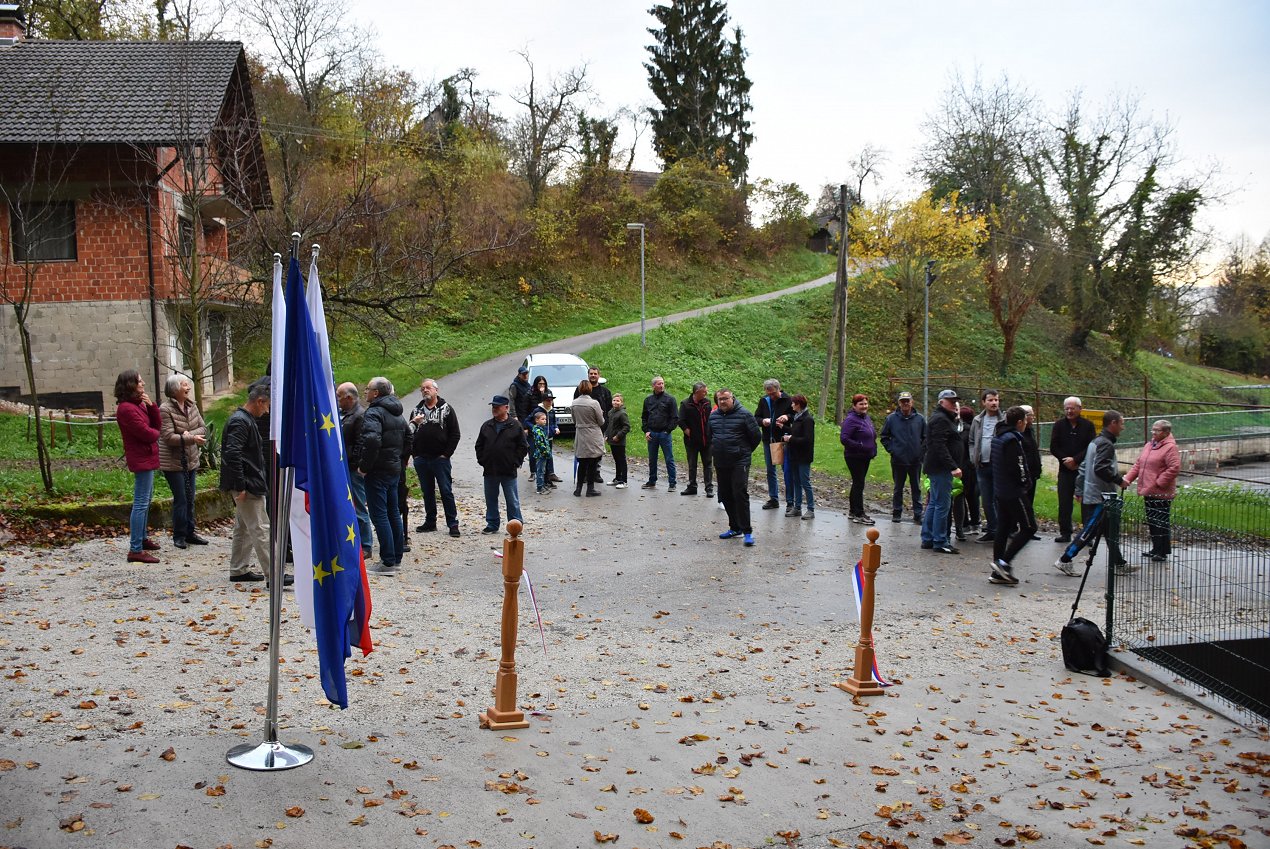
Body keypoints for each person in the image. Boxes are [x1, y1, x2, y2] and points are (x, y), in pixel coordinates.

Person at [1056, 410, 1129, 576]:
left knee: (1111, 530)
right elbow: (1100, 468)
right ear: (1113, 423)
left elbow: (1083, 467)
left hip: (1096, 494)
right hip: (1100, 496)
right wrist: (1119, 480)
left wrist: (1080, 488)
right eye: (1121, 423)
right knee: (1089, 532)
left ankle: (1119, 563)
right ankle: (1064, 559)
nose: (1123, 428)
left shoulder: (1095, 442)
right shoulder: (1105, 444)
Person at [220, 380, 272, 582]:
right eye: (266, 406)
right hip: (247, 484)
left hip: (248, 481)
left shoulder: (242, 419)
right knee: (260, 528)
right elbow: (233, 454)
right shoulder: (241, 421)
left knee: (243, 528)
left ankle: (238, 569)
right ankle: (273, 574)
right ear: (259, 401)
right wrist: (240, 484)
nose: (267, 411)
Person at [359, 376, 406, 576]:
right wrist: (399, 459)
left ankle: (387, 561)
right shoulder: (397, 412)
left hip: (378, 470)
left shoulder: (374, 413)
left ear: (376, 393)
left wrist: (364, 466)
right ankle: (396, 558)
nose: (365, 392)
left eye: (368, 388)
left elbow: (371, 440)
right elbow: (408, 437)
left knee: (380, 515)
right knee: (393, 512)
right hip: (394, 468)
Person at [115, 369, 162, 564]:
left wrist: (151, 406)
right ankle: (135, 549)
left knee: (147, 499)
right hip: (141, 458)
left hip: (148, 456)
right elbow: (149, 433)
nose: (143, 384)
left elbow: (156, 424)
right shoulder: (126, 409)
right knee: (141, 502)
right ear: (130, 385)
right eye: (139, 382)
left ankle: (142, 538)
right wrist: (155, 432)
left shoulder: (139, 405)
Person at [158, 373, 208, 550]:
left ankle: (190, 532)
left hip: (191, 459)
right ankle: (179, 535)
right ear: (174, 389)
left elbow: (203, 427)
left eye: (188, 385)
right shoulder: (165, 409)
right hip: (173, 462)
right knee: (181, 499)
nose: (188, 388)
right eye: (184, 385)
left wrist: (189, 435)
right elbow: (168, 437)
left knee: (191, 497)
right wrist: (190, 437)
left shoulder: (191, 405)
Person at [988, 406, 1036, 586]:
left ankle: (998, 573)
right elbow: (1018, 466)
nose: (1026, 424)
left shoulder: (998, 436)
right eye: (1025, 421)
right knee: (1029, 527)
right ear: (1019, 422)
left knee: (1003, 527)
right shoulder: (1012, 440)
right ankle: (1003, 563)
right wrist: (1025, 483)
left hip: (1000, 489)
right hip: (1013, 491)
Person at [408, 378, 461, 538]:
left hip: (440, 459)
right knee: (427, 491)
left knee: (445, 490)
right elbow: (409, 433)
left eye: (428, 388)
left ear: (436, 390)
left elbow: (455, 434)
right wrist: (414, 454)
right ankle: (430, 521)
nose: (425, 390)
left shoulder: (446, 409)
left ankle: (452, 523)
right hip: (422, 459)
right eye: (422, 388)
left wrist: (446, 454)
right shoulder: (416, 411)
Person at [1123, 419, 1181, 563]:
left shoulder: (1170, 447)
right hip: (1148, 490)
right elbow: (1139, 464)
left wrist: (1159, 482)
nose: (1153, 433)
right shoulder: (1149, 445)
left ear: (1166, 432)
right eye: (1153, 430)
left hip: (1161, 492)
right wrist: (1127, 479)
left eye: (1157, 430)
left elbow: (1174, 467)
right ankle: (1156, 548)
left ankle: (1162, 551)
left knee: (1161, 521)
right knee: (1152, 521)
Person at [709, 388, 761, 546]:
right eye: (720, 399)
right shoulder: (713, 416)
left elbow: (756, 436)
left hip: (739, 461)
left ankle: (747, 532)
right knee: (725, 495)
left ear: (732, 398)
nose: (723, 402)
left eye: (725, 398)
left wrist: (743, 452)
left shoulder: (744, 414)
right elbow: (711, 435)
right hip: (721, 461)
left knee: (739, 493)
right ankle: (735, 527)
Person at [475, 394, 528, 533]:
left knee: (512, 500)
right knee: (491, 499)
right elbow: (479, 445)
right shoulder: (487, 425)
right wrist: (483, 460)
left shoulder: (515, 425)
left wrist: (515, 462)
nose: (494, 409)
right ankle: (492, 524)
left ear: (506, 408)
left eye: (497, 407)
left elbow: (523, 446)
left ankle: (516, 525)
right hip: (490, 469)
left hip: (508, 470)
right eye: (493, 406)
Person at [1048, 396, 1096, 544]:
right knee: (1064, 503)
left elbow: (1091, 446)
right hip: (1065, 470)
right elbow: (1054, 447)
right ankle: (1065, 532)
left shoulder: (1088, 426)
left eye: (1072, 408)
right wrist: (1066, 460)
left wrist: (1076, 460)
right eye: (1066, 408)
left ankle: (1086, 535)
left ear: (1080, 409)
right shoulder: (1059, 425)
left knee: (1086, 503)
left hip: (1082, 470)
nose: (1069, 411)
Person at [921, 389, 963, 554]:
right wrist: (953, 466)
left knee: (935, 503)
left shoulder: (944, 418)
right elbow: (938, 445)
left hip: (937, 467)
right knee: (942, 505)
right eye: (950, 401)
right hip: (940, 468)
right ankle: (939, 540)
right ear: (941, 402)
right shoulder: (941, 419)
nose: (953, 404)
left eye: (955, 401)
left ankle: (929, 538)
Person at [337, 382, 374, 558]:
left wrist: (357, 464)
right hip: (342, 467)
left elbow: (362, 442)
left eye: (339, 397)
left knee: (359, 506)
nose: (337, 400)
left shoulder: (359, 416)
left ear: (349, 398)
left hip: (352, 468)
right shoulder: (341, 415)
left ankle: (366, 545)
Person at [880, 391, 925, 524]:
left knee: (916, 487)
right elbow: (884, 437)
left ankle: (918, 514)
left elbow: (926, 437)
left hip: (915, 460)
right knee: (898, 487)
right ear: (899, 403)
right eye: (903, 401)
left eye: (907, 401)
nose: (905, 403)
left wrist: (920, 452)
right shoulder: (891, 419)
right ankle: (897, 512)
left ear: (912, 402)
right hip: (898, 460)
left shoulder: (920, 419)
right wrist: (893, 450)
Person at [969, 389, 1004, 542]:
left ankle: (1003, 530)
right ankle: (992, 529)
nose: (994, 403)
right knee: (987, 500)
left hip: (999, 466)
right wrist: (973, 457)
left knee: (1000, 499)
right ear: (984, 402)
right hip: (982, 466)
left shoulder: (1004, 420)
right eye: (990, 400)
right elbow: (971, 441)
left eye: (996, 400)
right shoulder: (977, 420)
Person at [840, 393, 878, 524]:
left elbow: (871, 434)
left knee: (857, 483)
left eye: (865, 403)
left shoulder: (865, 417)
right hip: (855, 456)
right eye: (861, 404)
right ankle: (859, 513)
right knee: (859, 484)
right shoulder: (851, 419)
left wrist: (873, 448)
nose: (864, 406)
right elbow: (844, 438)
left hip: (865, 456)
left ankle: (852, 511)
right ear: (854, 406)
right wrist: (860, 446)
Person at [755, 379, 792, 510]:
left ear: (778, 389)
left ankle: (790, 501)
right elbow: (756, 417)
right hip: (768, 439)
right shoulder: (764, 401)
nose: (771, 396)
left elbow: (795, 416)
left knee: (786, 470)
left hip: (782, 440)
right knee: (771, 470)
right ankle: (773, 498)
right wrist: (762, 421)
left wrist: (787, 417)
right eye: (769, 393)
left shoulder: (788, 400)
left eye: (773, 393)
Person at [641, 376, 678, 491]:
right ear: (653, 386)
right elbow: (644, 416)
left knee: (669, 458)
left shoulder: (670, 399)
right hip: (652, 432)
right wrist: (646, 430)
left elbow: (675, 417)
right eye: (658, 384)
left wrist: (668, 430)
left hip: (664, 433)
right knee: (652, 458)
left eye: (662, 383)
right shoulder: (648, 400)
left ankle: (672, 483)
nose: (661, 385)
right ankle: (652, 481)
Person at [782, 394, 815, 519]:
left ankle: (811, 509)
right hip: (794, 454)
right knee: (796, 482)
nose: (791, 405)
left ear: (798, 404)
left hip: (803, 456)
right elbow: (795, 432)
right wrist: (785, 429)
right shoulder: (797, 417)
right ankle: (797, 507)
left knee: (805, 482)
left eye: (793, 403)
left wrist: (791, 439)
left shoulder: (807, 419)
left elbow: (808, 439)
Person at [678, 381, 713, 497]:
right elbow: (680, 420)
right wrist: (688, 431)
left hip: (707, 440)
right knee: (692, 464)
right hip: (691, 441)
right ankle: (692, 486)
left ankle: (709, 488)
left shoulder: (707, 403)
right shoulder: (685, 404)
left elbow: (710, 419)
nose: (706, 393)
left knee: (708, 464)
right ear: (697, 392)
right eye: (704, 392)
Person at [579, 365, 612, 485]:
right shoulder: (580, 391)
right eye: (591, 373)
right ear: (588, 375)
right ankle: (585, 474)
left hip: (601, 427)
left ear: (599, 375)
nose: (593, 375)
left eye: (595, 373)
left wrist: (607, 425)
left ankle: (596, 473)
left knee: (598, 452)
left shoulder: (605, 392)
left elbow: (609, 409)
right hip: (585, 427)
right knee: (585, 452)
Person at [572, 379, 605, 497]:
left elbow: (574, 420)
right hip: (592, 434)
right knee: (592, 462)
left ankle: (578, 488)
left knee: (582, 462)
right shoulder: (594, 403)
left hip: (580, 434)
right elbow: (601, 421)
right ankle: (590, 488)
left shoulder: (574, 403)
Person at [951, 405, 976, 541]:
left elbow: (970, 447)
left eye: (957, 411)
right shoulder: (943, 425)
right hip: (946, 467)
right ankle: (945, 529)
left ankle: (961, 528)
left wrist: (968, 464)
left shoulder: (966, 429)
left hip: (964, 468)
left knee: (960, 497)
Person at [527, 391, 560, 486]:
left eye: (551, 400)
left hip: (549, 438)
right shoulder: (538, 410)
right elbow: (527, 421)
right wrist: (534, 428)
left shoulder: (552, 410)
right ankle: (540, 482)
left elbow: (554, 422)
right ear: (543, 401)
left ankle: (548, 479)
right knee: (542, 460)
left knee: (549, 457)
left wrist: (556, 428)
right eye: (548, 400)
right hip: (541, 440)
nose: (550, 402)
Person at [1020, 405, 1043, 538]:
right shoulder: (1019, 433)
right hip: (1024, 473)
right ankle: (1022, 528)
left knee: (1029, 501)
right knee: (1023, 502)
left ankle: (1028, 528)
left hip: (1032, 473)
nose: (1033, 418)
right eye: (1031, 415)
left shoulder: (1030, 431)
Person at [605, 393, 630, 488]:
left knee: (621, 460)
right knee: (616, 460)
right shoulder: (611, 412)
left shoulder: (622, 413)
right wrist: (607, 434)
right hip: (612, 440)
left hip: (619, 441)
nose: (615, 402)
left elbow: (626, 427)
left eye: (618, 401)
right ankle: (618, 478)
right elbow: (609, 425)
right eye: (614, 400)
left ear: (621, 403)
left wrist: (618, 436)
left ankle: (624, 481)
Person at [530, 411, 552, 494]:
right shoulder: (538, 431)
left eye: (545, 419)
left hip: (544, 454)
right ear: (537, 420)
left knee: (543, 470)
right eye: (542, 419)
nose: (545, 421)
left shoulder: (542, 430)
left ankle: (542, 485)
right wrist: (546, 452)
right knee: (540, 471)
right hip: (541, 454)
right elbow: (540, 443)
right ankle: (539, 488)